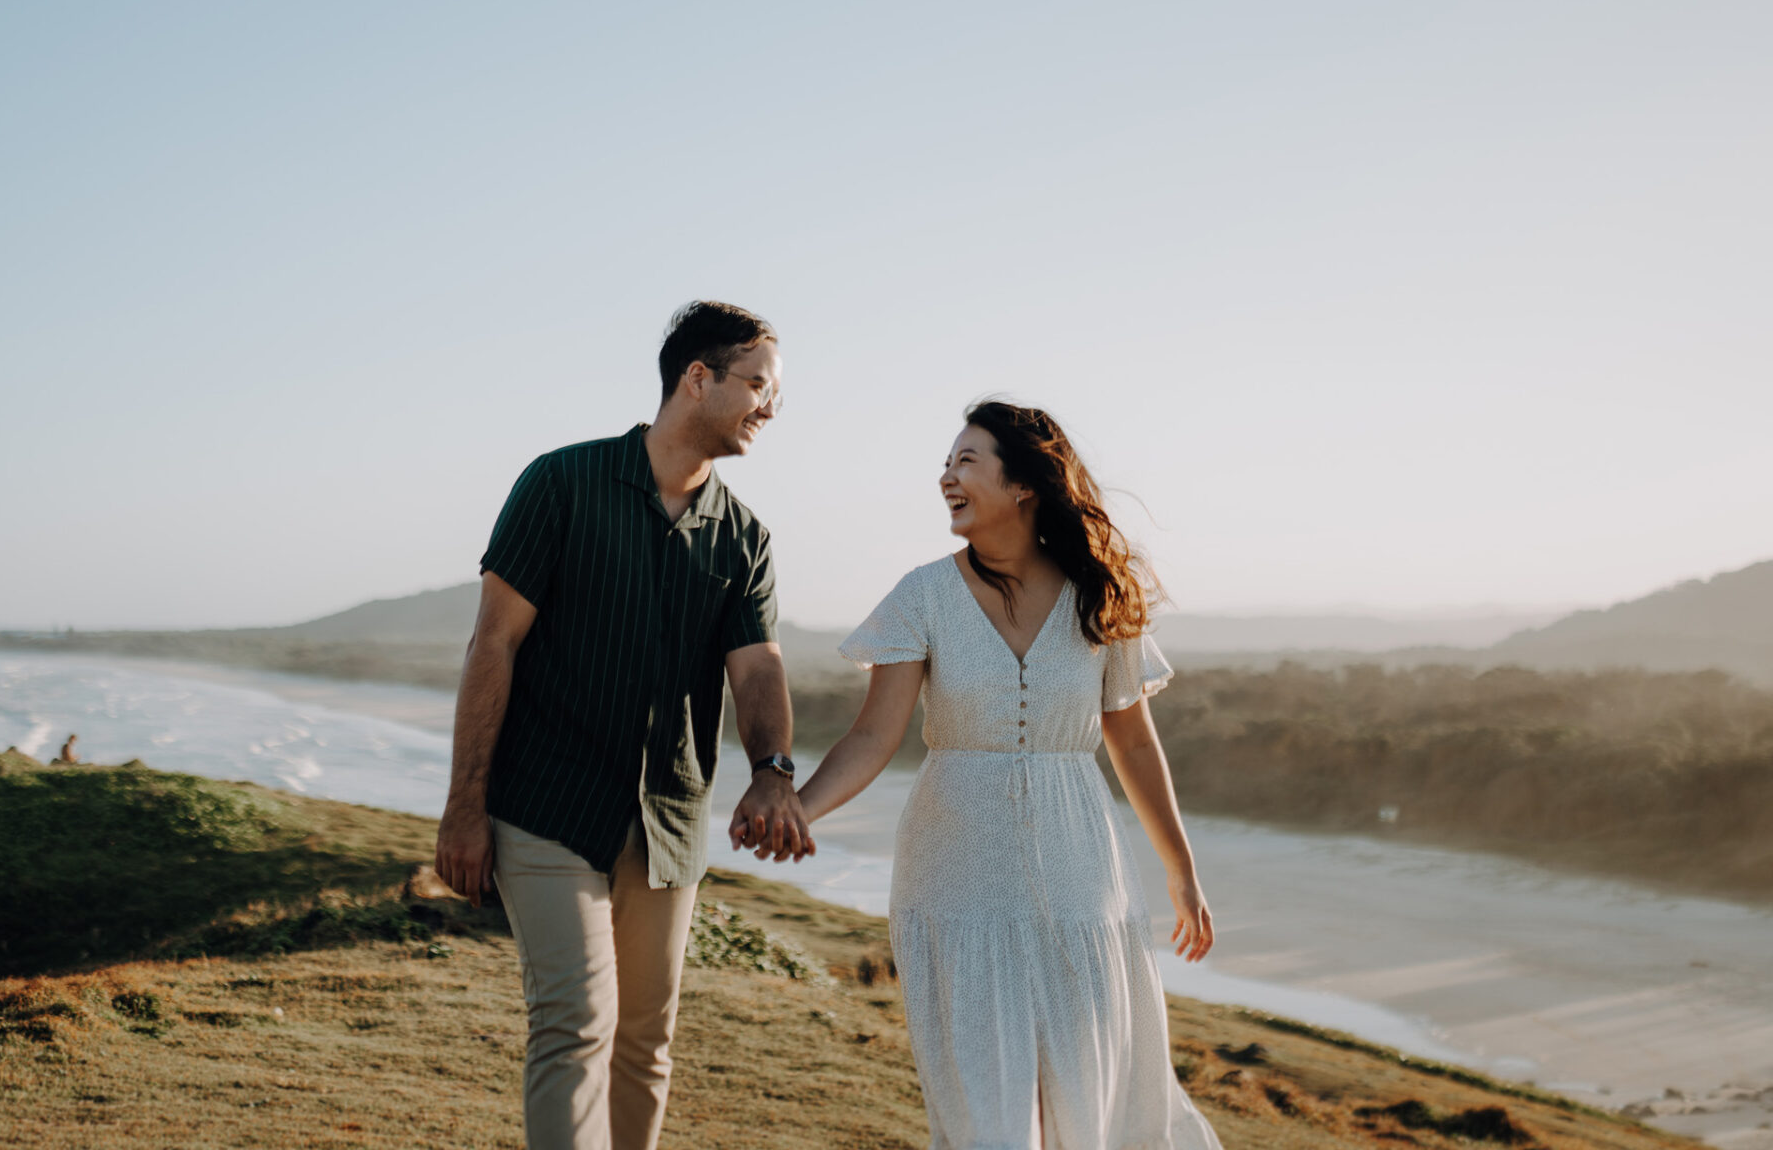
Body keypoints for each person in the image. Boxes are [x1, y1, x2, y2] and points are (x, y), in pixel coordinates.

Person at [434, 300, 812, 1150]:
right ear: (696, 378)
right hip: (546, 808)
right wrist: (465, 806)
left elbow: (758, 668)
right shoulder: (560, 483)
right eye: (758, 385)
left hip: (669, 825)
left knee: (645, 1045)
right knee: (575, 1022)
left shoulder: (744, 538)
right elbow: (492, 646)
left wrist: (773, 769)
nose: (769, 407)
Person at [797, 400, 1222, 1150]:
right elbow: (872, 736)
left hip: (1082, 878)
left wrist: (1181, 871)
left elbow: (1135, 746)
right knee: (991, 1121)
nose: (945, 477)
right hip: (956, 878)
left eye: (965, 461)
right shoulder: (922, 595)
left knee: (1088, 1098)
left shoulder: (1098, 596)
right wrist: (798, 810)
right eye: (945, 463)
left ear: (1023, 485)